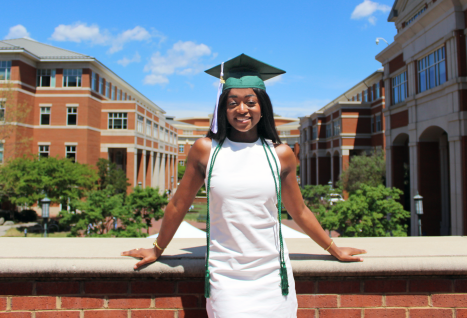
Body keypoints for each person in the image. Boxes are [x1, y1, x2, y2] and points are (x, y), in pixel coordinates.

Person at [122, 54, 366, 317]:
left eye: (250, 102)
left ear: (262, 107)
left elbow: (300, 211)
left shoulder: (280, 154)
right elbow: (179, 204)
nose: (242, 109)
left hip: (273, 275)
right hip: (226, 275)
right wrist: (157, 249)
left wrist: (333, 248)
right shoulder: (206, 150)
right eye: (232, 103)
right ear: (222, 110)